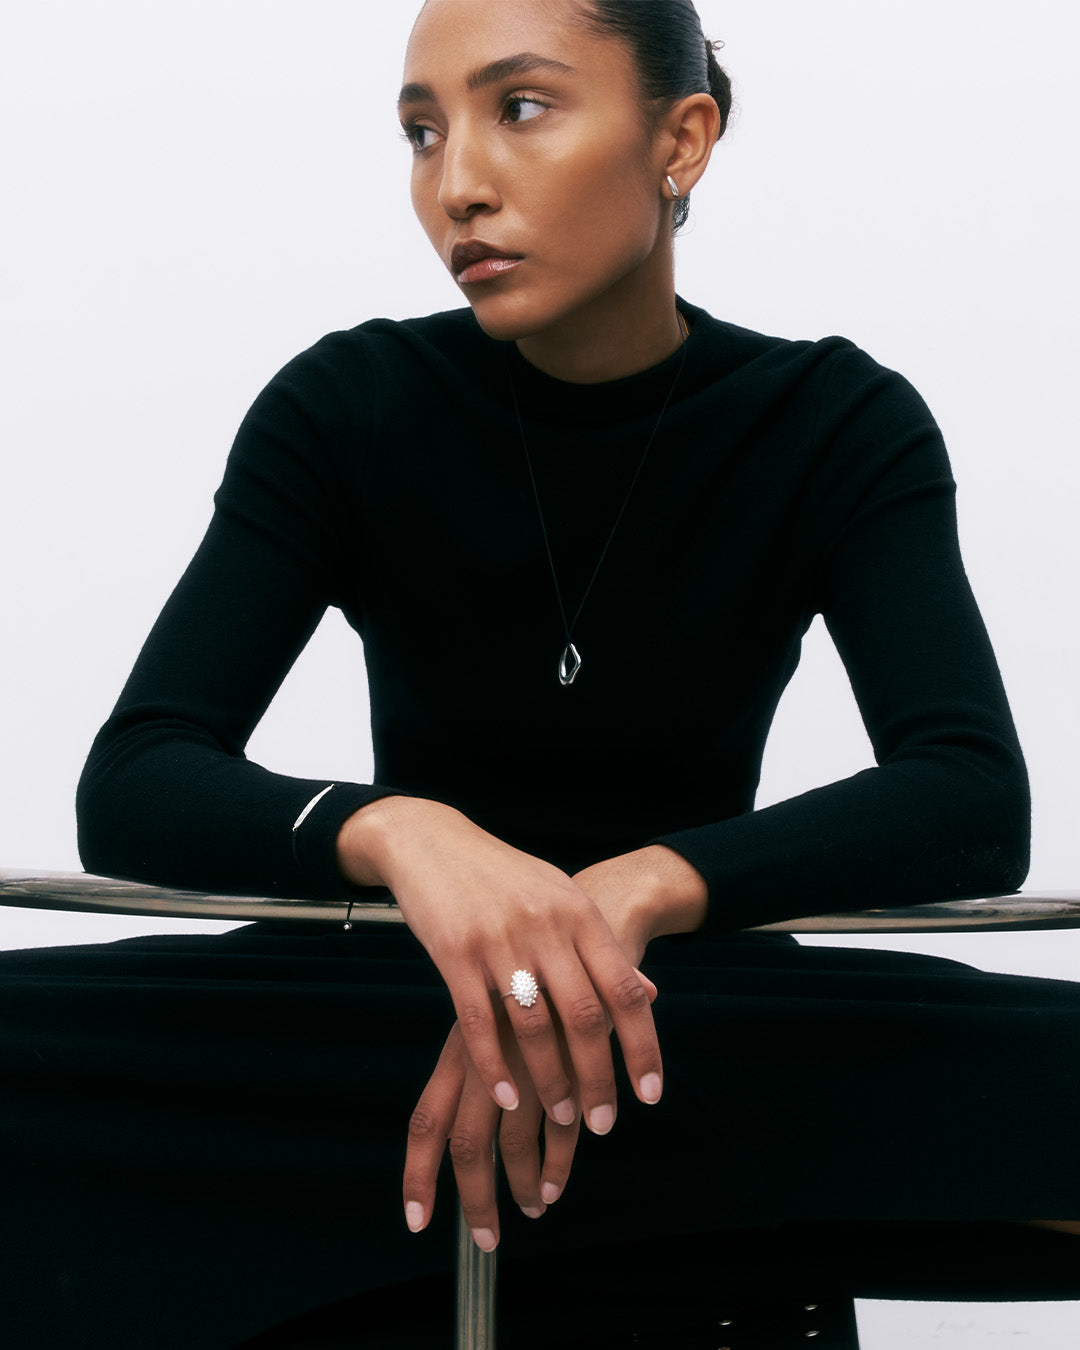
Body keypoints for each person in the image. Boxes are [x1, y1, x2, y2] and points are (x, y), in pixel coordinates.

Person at [3, 1, 1079, 1346]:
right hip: (388, 999)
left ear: (681, 140)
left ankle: (508, 1184)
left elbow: (967, 794)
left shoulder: (834, 421)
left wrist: (640, 889)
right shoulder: (347, 402)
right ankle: (660, 1206)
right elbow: (139, 776)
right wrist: (405, 835)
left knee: (778, 1041)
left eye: (519, 108)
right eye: (421, 132)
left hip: (700, 1002)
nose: (457, 182)